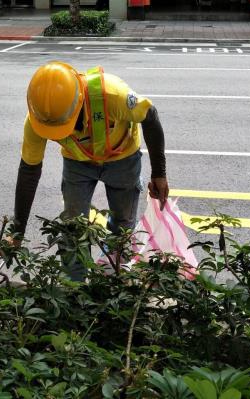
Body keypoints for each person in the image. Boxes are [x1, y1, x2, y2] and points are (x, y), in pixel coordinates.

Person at [10, 61, 169, 281]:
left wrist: (159, 174)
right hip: (77, 164)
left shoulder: (113, 94)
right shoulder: (38, 120)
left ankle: (111, 280)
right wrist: (17, 233)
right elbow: (29, 171)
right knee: (73, 228)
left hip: (122, 159)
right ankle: (76, 290)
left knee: (122, 226)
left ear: (80, 103)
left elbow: (150, 116)